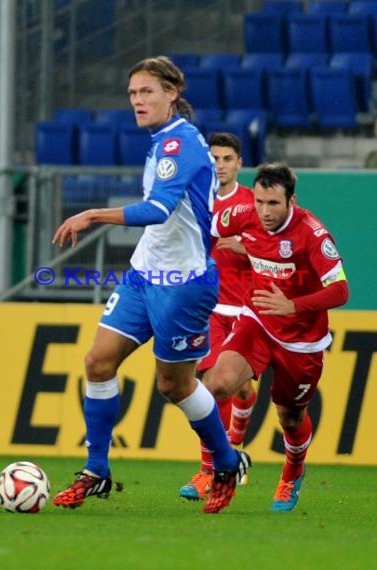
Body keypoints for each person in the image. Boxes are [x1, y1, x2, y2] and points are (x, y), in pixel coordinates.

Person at [51, 56, 251, 515]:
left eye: (147, 92)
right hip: (145, 275)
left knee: (174, 386)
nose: (138, 101)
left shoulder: (180, 144)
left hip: (183, 283)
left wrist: (93, 214)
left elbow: (158, 210)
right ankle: (96, 470)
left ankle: (225, 462)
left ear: (172, 94)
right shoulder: (161, 141)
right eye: (133, 94)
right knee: (98, 363)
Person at [209, 162, 349, 512]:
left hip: (302, 341)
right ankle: (228, 462)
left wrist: (294, 305)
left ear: (291, 201)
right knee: (218, 384)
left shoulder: (312, 233)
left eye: (273, 203)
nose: (264, 211)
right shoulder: (245, 214)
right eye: (259, 202)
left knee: (290, 418)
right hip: (257, 320)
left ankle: (292, 473)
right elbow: (214, 226)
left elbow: (341, 291)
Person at [179, 132, 257, 501]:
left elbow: (279, 252)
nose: (220, 165)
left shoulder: (253, 203)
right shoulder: (197, 198)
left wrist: (245, 248)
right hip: (209, 309)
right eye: (215, 159)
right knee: (211, 387)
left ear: (239, 163)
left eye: (227, 159)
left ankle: (231, 447)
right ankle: (211, 470)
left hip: (247, 311)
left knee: (234, 387)